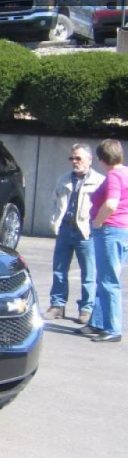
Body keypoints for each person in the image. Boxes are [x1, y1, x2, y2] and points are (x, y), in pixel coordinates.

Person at [44, 144, 103, 323]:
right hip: (65, 229)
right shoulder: (64, 179)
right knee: (59, 269)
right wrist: (54, 220)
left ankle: (86, 309)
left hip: (86, 231)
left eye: (78, 158)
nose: (74, 162)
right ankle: (57, 305)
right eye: (72, 158)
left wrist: (95, 225)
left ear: (89, 160)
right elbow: (55, 200)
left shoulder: (99, 181)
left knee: (88, 272)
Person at [78, 139, 128, 343]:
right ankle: (98, 322)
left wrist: (98, 222)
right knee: (106, 277)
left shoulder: (115, 175)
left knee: (109, 281)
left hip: (110, 230)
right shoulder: (125, 172)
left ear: (101, 158)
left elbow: (111, 203)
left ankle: (113, 328)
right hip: (120, 230)